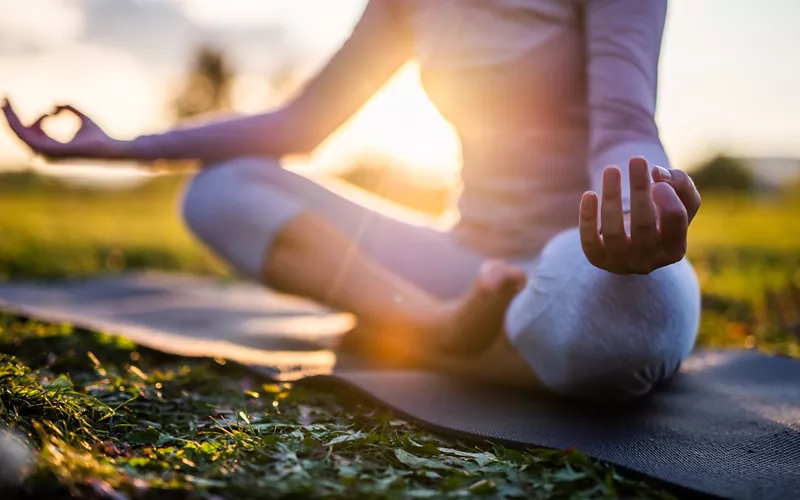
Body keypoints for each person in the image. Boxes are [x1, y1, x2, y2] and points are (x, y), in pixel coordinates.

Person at [2, 0, 702, 400]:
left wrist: (643, 200)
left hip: (582, 262)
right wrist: (117, 147)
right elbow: (299, 125)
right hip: (465, 265)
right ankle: (435, 327)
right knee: (220, 188)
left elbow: (624, 125)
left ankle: (444, 337)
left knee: (626, 323)